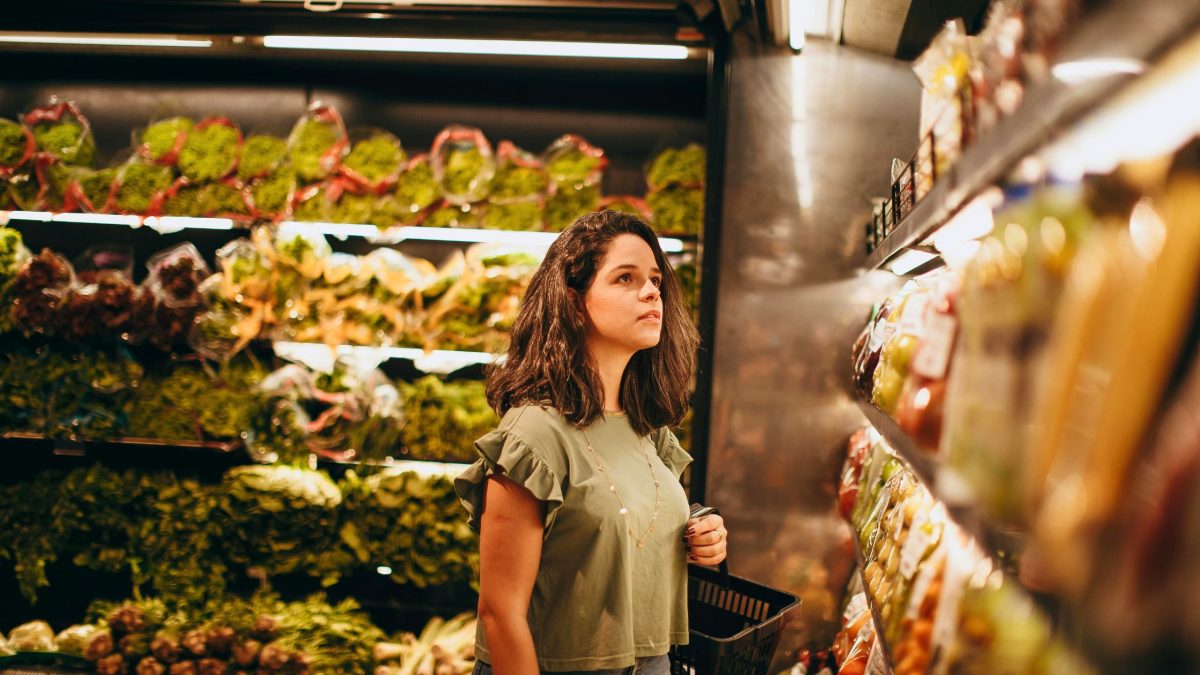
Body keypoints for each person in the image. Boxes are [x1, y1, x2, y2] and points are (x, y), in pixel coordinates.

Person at [454, 210, 728, 675]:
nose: (652, 292)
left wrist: (703, 534)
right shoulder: (534, 435)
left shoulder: (648, 428)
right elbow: (500, 614)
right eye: (626, 278)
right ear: (574, 303)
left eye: (655, 280)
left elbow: (629, 525)